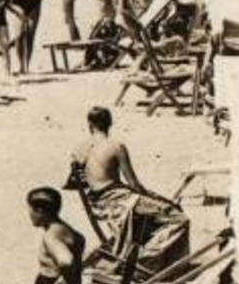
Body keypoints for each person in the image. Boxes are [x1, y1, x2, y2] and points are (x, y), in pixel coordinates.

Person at [70, 106, 188, 269]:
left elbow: (74, 182)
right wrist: (156, 198)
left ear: (89, 125)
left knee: (153, 212)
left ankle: (148, 259)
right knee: (179, 218)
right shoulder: (116, 146)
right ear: (110, 124)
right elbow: (134, 184)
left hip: (98, 203)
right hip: (120, 201)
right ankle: (143, 260)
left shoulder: (78, 150)